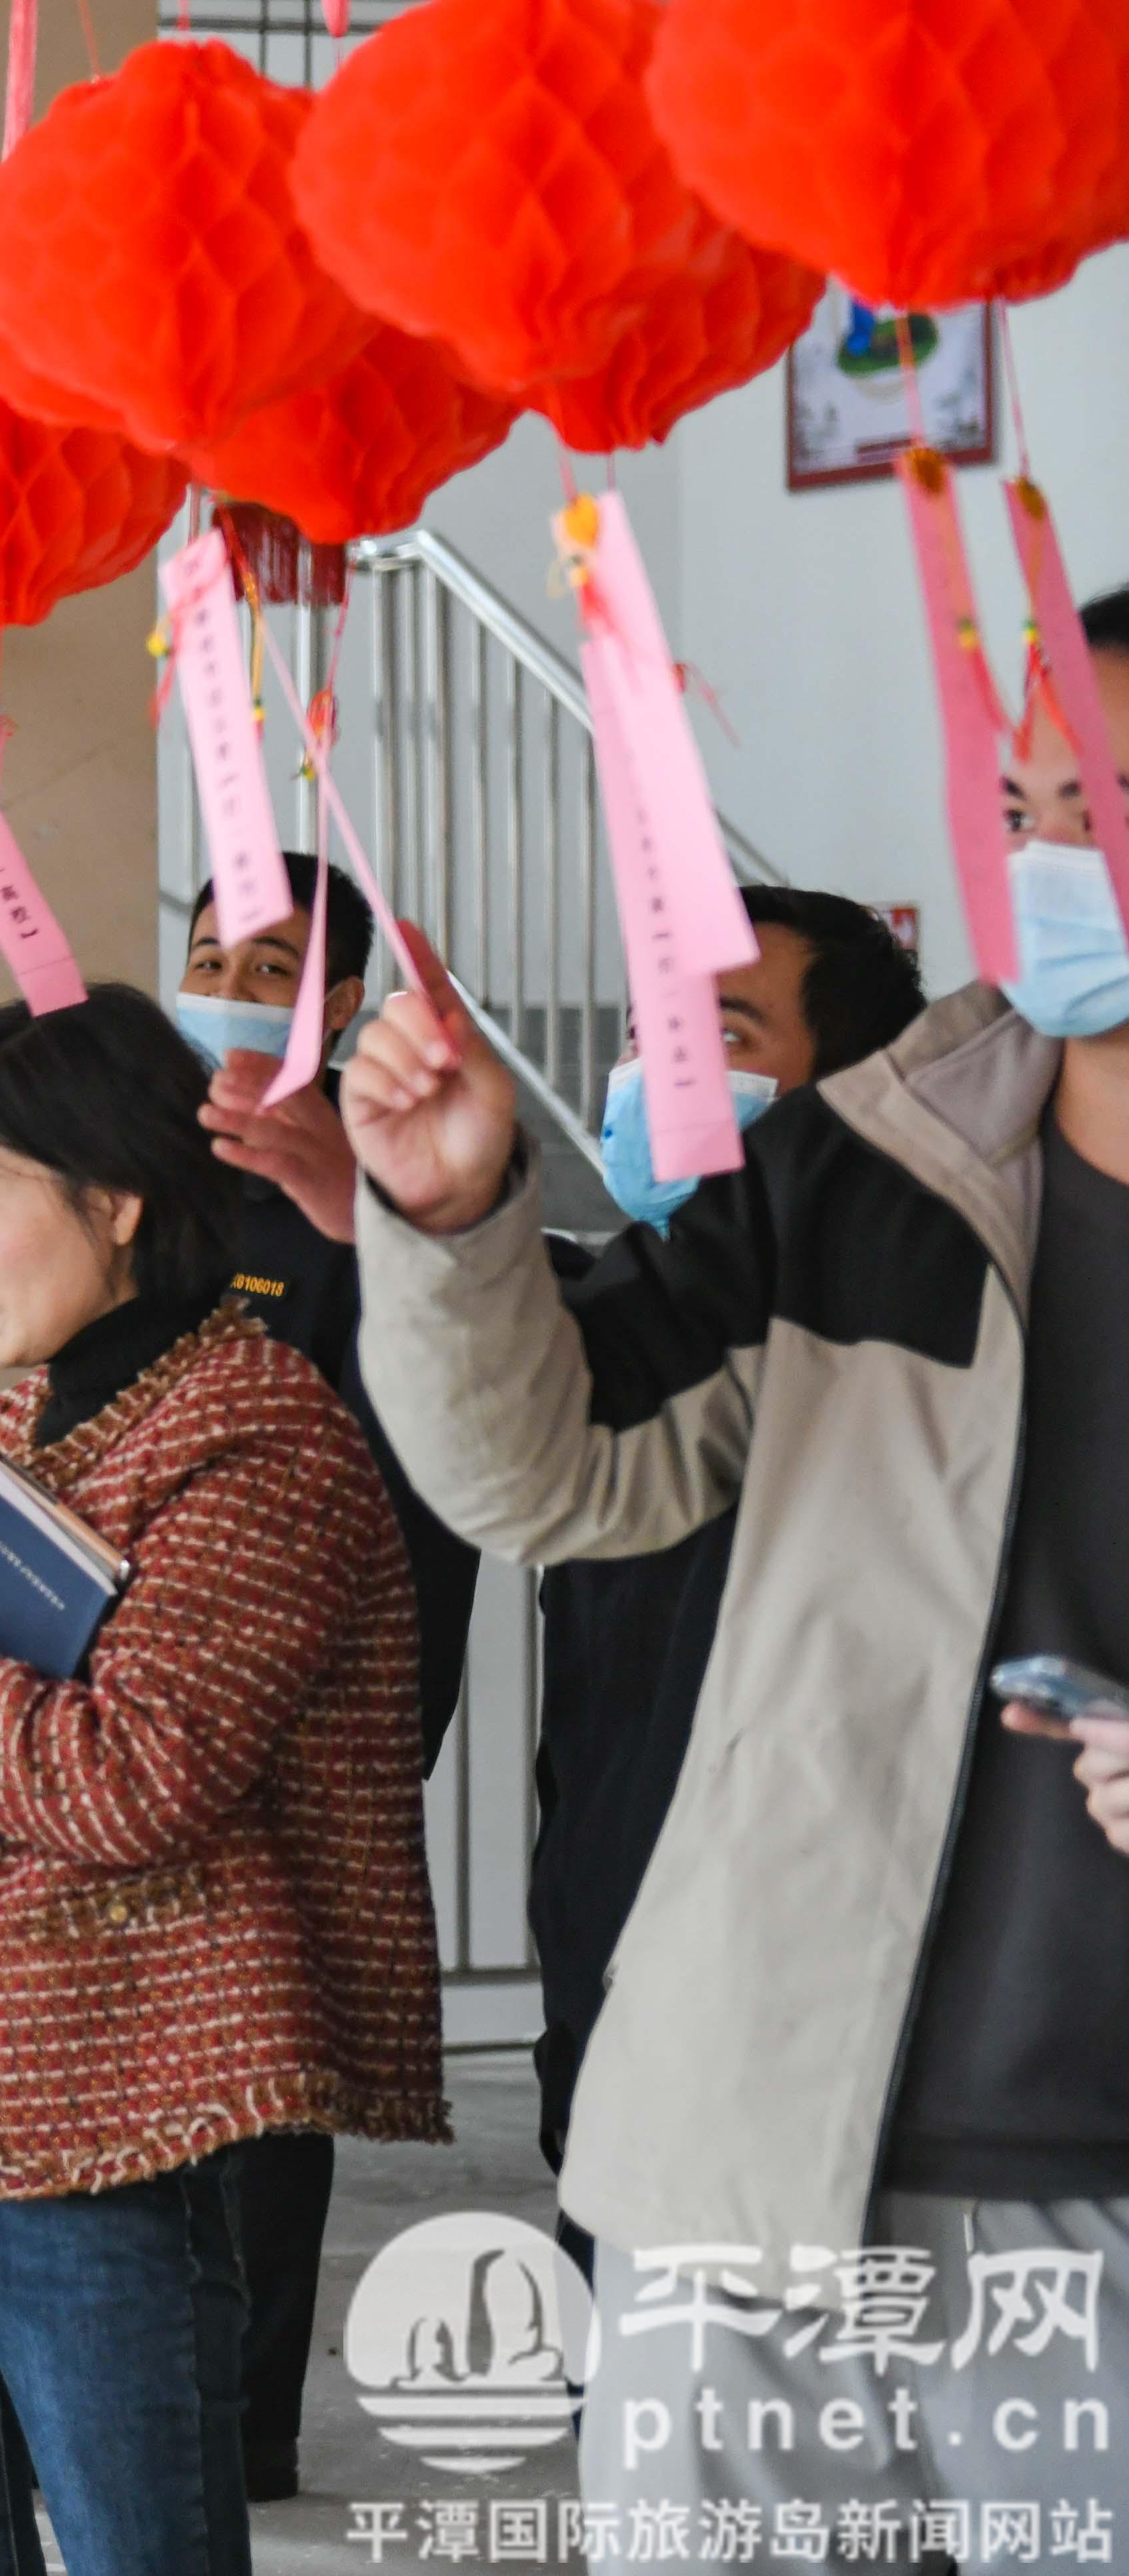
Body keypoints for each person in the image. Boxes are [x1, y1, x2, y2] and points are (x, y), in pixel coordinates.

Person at [340, 655, 1129, 2539]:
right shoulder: (861, 1177)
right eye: (1023, 815)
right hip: (750, 2158)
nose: (1044, 866)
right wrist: (454, 1231)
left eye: (1088, 811)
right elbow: (553, 1472)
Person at [0, 986, 446, 2576]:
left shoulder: (259, 1440)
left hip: (95, 2116)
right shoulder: (33, 1410)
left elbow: (132, 1779)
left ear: (112, 1201)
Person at [524, 887, 923, 2181]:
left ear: (848, 1100)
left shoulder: (897, 1351)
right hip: (602, 1964)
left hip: (794, 2009)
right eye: (646, 1033)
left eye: (722, 1036)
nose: (659, 1069)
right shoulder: (582, 1320)